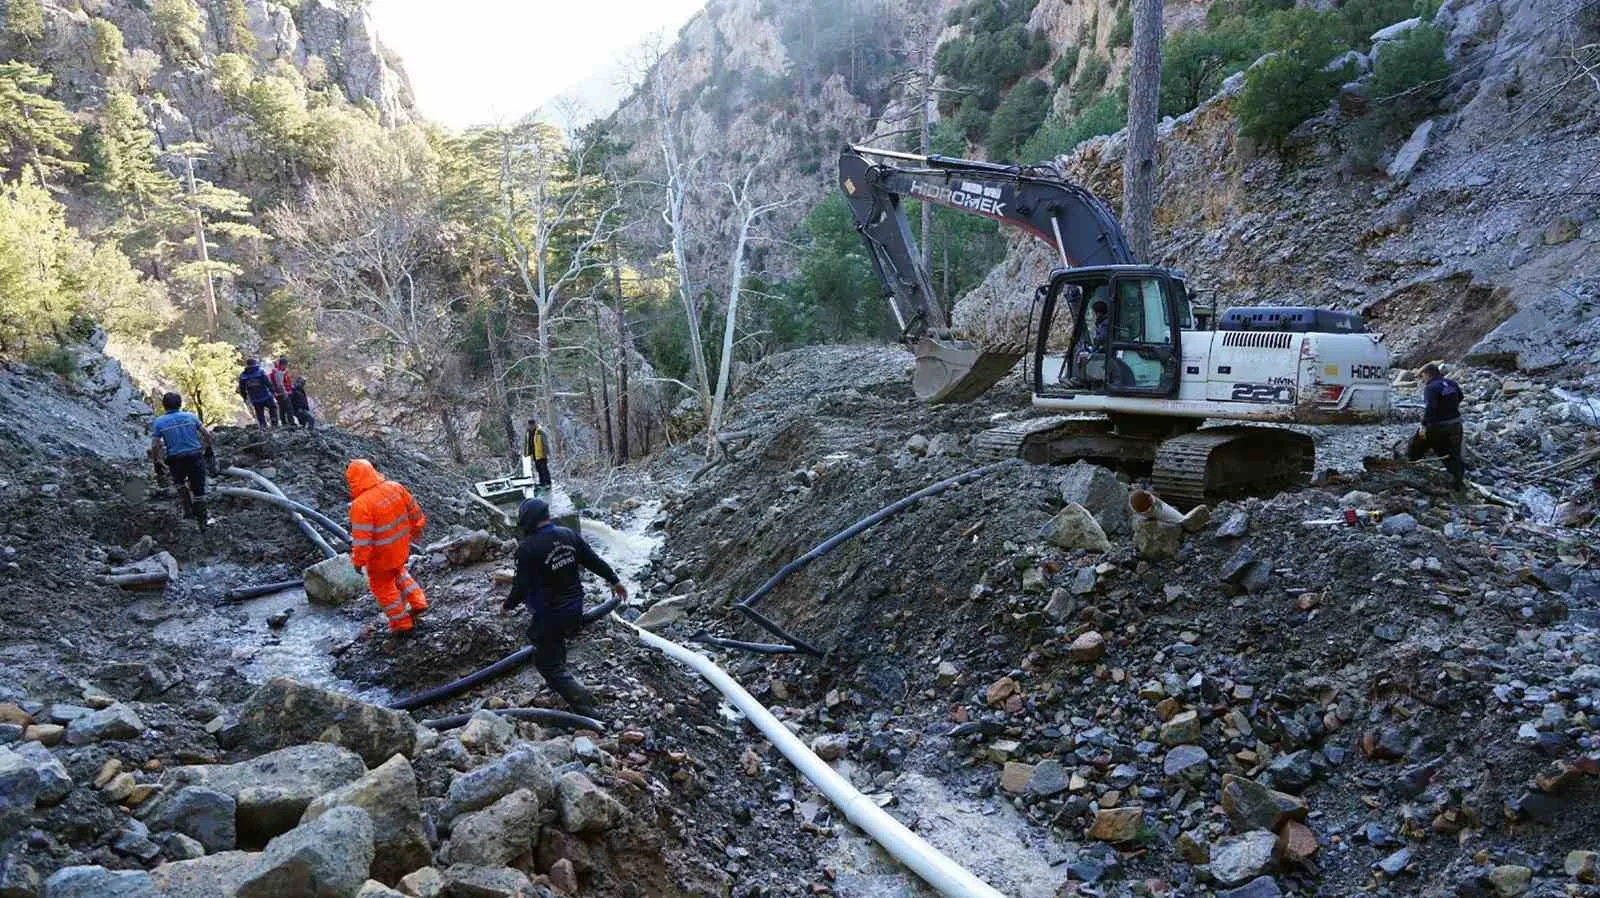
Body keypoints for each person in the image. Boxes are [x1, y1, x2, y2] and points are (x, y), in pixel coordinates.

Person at [500, 498, 626, 716]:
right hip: (575, 606)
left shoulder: (527, 549)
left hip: (550, 614)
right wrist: (615, 580)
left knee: (545, 662)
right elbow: (593, 560)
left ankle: (585, 707)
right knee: (554, 647)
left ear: (528, 521)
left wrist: (507, 607)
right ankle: (561, 682)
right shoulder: (568, 535)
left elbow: (521, 586)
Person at [346, 459, 430, 635]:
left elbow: (362, 541)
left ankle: (402, 623)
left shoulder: (361, 505)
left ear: (353, 479)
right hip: (400, 547)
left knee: (382, 587)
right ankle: (418, 602)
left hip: (381, 558)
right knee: (399, 572)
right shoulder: (394, 487)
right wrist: (417, 529)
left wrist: (358, 562)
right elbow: (414, 510)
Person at [149, 391, 218, 530]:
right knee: (199, 491)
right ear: (180, 404)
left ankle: (188, 510)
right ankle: (203, 520)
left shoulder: (159, 422)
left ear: (164, 406)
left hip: (175, 459)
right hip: (195, 456)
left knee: (180, 484)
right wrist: (207, 448)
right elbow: (206, 434)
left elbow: (156, 445)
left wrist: (157, 460)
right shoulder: (190, 417)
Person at [1409, 362, 1467, 488]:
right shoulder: (1451, 383)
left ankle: (1408, 468)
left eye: (1422, 376)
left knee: (1416, 445)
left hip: (1439, 426)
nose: (1422, 380)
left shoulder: (1430, 387)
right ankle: (1458, 482)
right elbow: (1461, 397)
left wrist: (1424, 424)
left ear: (1428, 374)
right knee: (1453, 454)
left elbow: (1431, 407)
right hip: (1456, 424)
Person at [238, 358, 279, 428]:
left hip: (254, 398)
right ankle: (274, 422)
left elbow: (242, 389)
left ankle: (263, 426)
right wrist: (273, 391)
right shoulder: (260, 371)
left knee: (259, 412)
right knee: (273, 407)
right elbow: (267, 383)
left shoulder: (243, 375)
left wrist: (244, 397)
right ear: (255, 364)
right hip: (266, 396)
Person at [522, 418, 553, 492]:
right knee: (538, 469)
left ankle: (548, 483)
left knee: (544, 469)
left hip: (541, 454)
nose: (531, 427)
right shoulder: (528, 433)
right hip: (534, 454)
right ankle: (542, 483)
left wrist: (546, 453)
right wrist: (527, 452)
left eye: (532, 425)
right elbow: (527, 443)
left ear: (535, 424)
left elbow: (545, 443)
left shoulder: (540, 432)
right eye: (530, 425)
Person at [268, 357, 295, 428]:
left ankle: (284, 423)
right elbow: (280, 384)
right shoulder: (278, 372)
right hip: (282, 393)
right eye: (286, 365)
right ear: (283, 364)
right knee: (289, 408)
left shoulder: (278, 371)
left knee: (282, 408)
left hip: (279, 394)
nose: (286, 366)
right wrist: (285, 393)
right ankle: (291, 423)